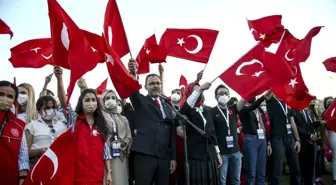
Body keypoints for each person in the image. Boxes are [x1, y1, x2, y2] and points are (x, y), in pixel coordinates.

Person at [128, 59, 176, 185]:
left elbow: (171, 133)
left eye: (158, 83)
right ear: (145, 87)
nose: (155, 85)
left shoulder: (168, 105)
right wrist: (133, 75)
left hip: (164, 156)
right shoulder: (141, 102)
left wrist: (173, 158)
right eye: (151, 83)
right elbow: (133, 93)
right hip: (145, 154)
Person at [180, 82, 221, 185]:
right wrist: (201, 88)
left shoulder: (208, 110)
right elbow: (184, 109)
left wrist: (217, 152)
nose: (201, 92)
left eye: (201, 90)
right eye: (196, 90)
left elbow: (213, 133)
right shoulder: (187, 111)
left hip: (210, 155)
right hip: (195, 156)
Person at [73, 88, 112, 185]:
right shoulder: (74, 121)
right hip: (77, 175)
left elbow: (106, 153)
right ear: (81, 103)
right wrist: (59, 79)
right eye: (87, 100)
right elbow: (64, 102)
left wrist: (108, 173)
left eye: (93, 100)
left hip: (96, 175)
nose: (91, 103)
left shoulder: (102, 124)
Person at [211, 84, 245, 185]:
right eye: (221, 93)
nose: (224, 95)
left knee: (236, 180)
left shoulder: (233, 109)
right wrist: (217, 152)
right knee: (222, 181)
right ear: (216, 96)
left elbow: (245, 99)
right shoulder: (212, 112)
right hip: (222, 154)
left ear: (229, 96)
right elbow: (211, 133)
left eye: (226, 93)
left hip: (236, 152)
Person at [265, 92, 301, 185]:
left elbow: (292, 122)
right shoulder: (270, 99)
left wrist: (297, 139)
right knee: (277, 169)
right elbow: (266, 94)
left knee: (295, 168)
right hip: (277, 138)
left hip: (290, 138)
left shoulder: (288, 101)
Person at [100, 90, 132, 185]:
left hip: (120, 154)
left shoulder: (123, 118)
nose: (111, 100)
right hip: (105, 155)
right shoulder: (100, 117)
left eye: (113, 98)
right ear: (102, 101)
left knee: (120, 180)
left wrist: (123, 143)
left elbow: (129, 136)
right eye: (108, 98)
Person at [239, 94, 272, 185]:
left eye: (255, 94)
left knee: (261, 172)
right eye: (251, 94)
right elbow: (252, 107)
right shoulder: (242, 108)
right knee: (251, 173)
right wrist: (263, 97)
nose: (253, 96)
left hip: (262, 139)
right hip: (250, 139)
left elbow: (265, 125)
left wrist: (268, 142)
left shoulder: (259, 109)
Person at [25, 95, 67, 168]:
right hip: (37, 164)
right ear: (39, 109)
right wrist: (40, 151)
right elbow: (25, 152)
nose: (51, 110)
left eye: (53, 107)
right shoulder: (31, 125)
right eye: (47, 108)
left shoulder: (62, 126)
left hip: (59, 165)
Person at [0, 80, 29, 185]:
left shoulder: (19, 124)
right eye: (1, 94)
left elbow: (23, 155)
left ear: (14, 101)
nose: (5, 99)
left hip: (9, 178)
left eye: (10, 96)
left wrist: (23, 177)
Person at [293, 106, 320, 185]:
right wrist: (309, 135)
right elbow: (295, 127)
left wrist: (313, 136)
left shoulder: (306, 111)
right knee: (300, 169)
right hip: (301, 143)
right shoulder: (293, 110)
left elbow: (310, 125)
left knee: (310, 168)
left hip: (310, 143)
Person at [324, 96, 336, 185]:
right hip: (333, 133)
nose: (331, 103)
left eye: (332, 101)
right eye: (328, 102)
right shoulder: (326, 114)